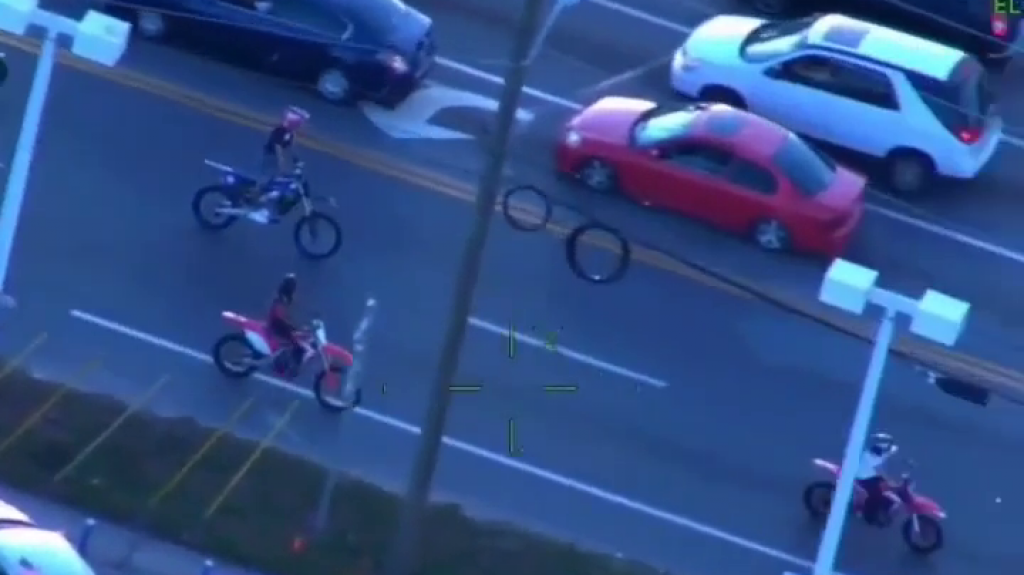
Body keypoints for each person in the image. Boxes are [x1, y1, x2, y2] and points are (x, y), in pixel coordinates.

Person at [250, 106, 310, 223]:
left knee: (277, 184)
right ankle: (253, 204)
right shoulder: (280, 131)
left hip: (275, 159)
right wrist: (282, 165)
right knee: (265, 182)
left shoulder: (290, 133)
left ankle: (267, 205)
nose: (301, 125)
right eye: (299, 123)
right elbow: (278, 149)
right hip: (270, 158)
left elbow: (290, 148)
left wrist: (297, 160)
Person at [267, 273, 309, 377]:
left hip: (280, 322)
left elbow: (288, 312)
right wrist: (293, 327)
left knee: (298, 338)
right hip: (278, 325)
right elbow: (280, 316)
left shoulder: (285, 296)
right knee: (299, 347)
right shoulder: (282, 298)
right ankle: (290, 369)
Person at [856, 432, 899, 526]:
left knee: (887, 487)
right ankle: (868, 516)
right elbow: (880, 472)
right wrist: (889, 481)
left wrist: (892, 448)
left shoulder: (877, 452)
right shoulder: (871, 457)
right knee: (876, 495)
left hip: (872, 475)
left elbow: (888, 452)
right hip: (864, 478)